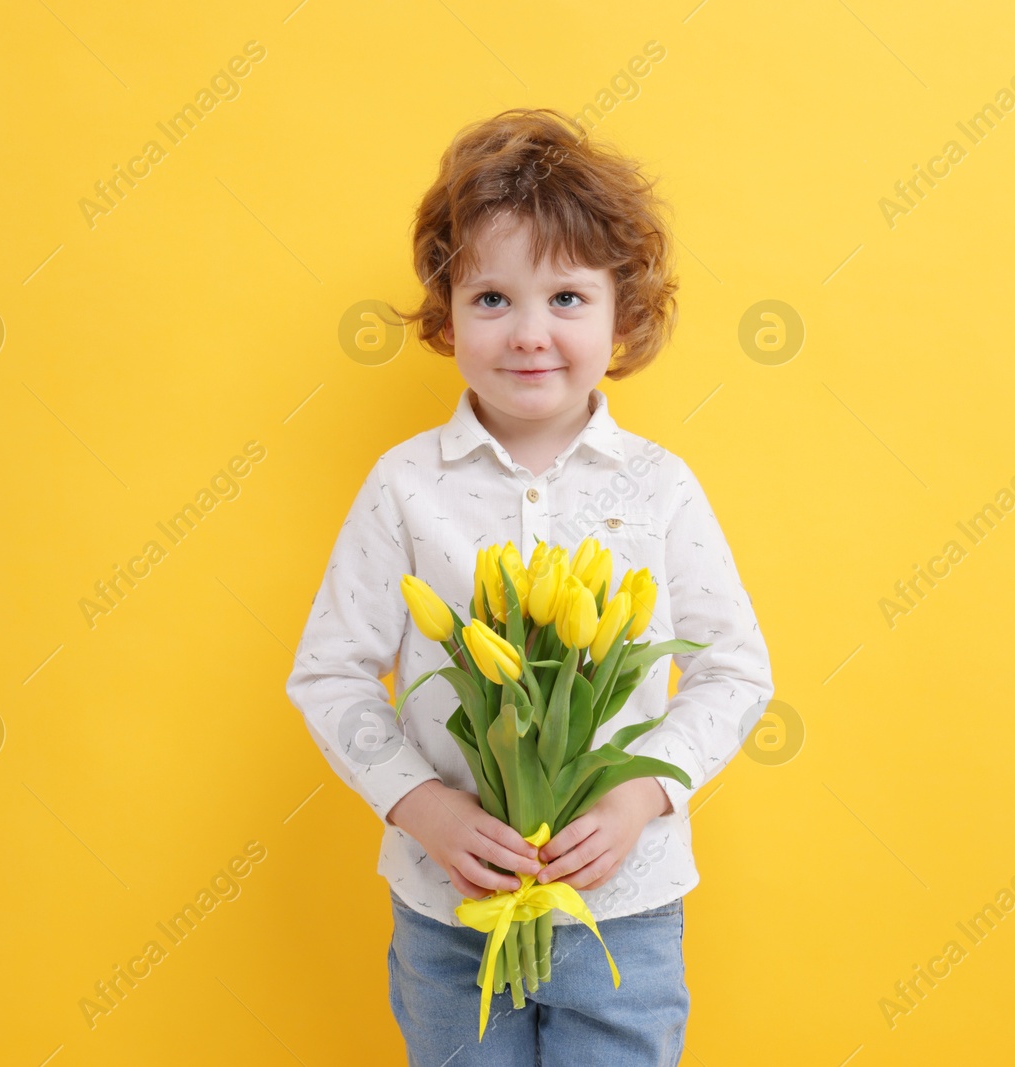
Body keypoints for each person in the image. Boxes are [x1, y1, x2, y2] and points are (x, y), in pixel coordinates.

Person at [285, 107, 774, 1066]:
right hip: (447, 904)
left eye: (566, 299)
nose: (528, 334)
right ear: (447, 313)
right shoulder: (405, 486)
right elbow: (330, 674)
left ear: (621, 314)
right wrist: (424, 806)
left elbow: (735, 673)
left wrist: (642, 795)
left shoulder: (660, 487)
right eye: (493, 299)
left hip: (621, 908)